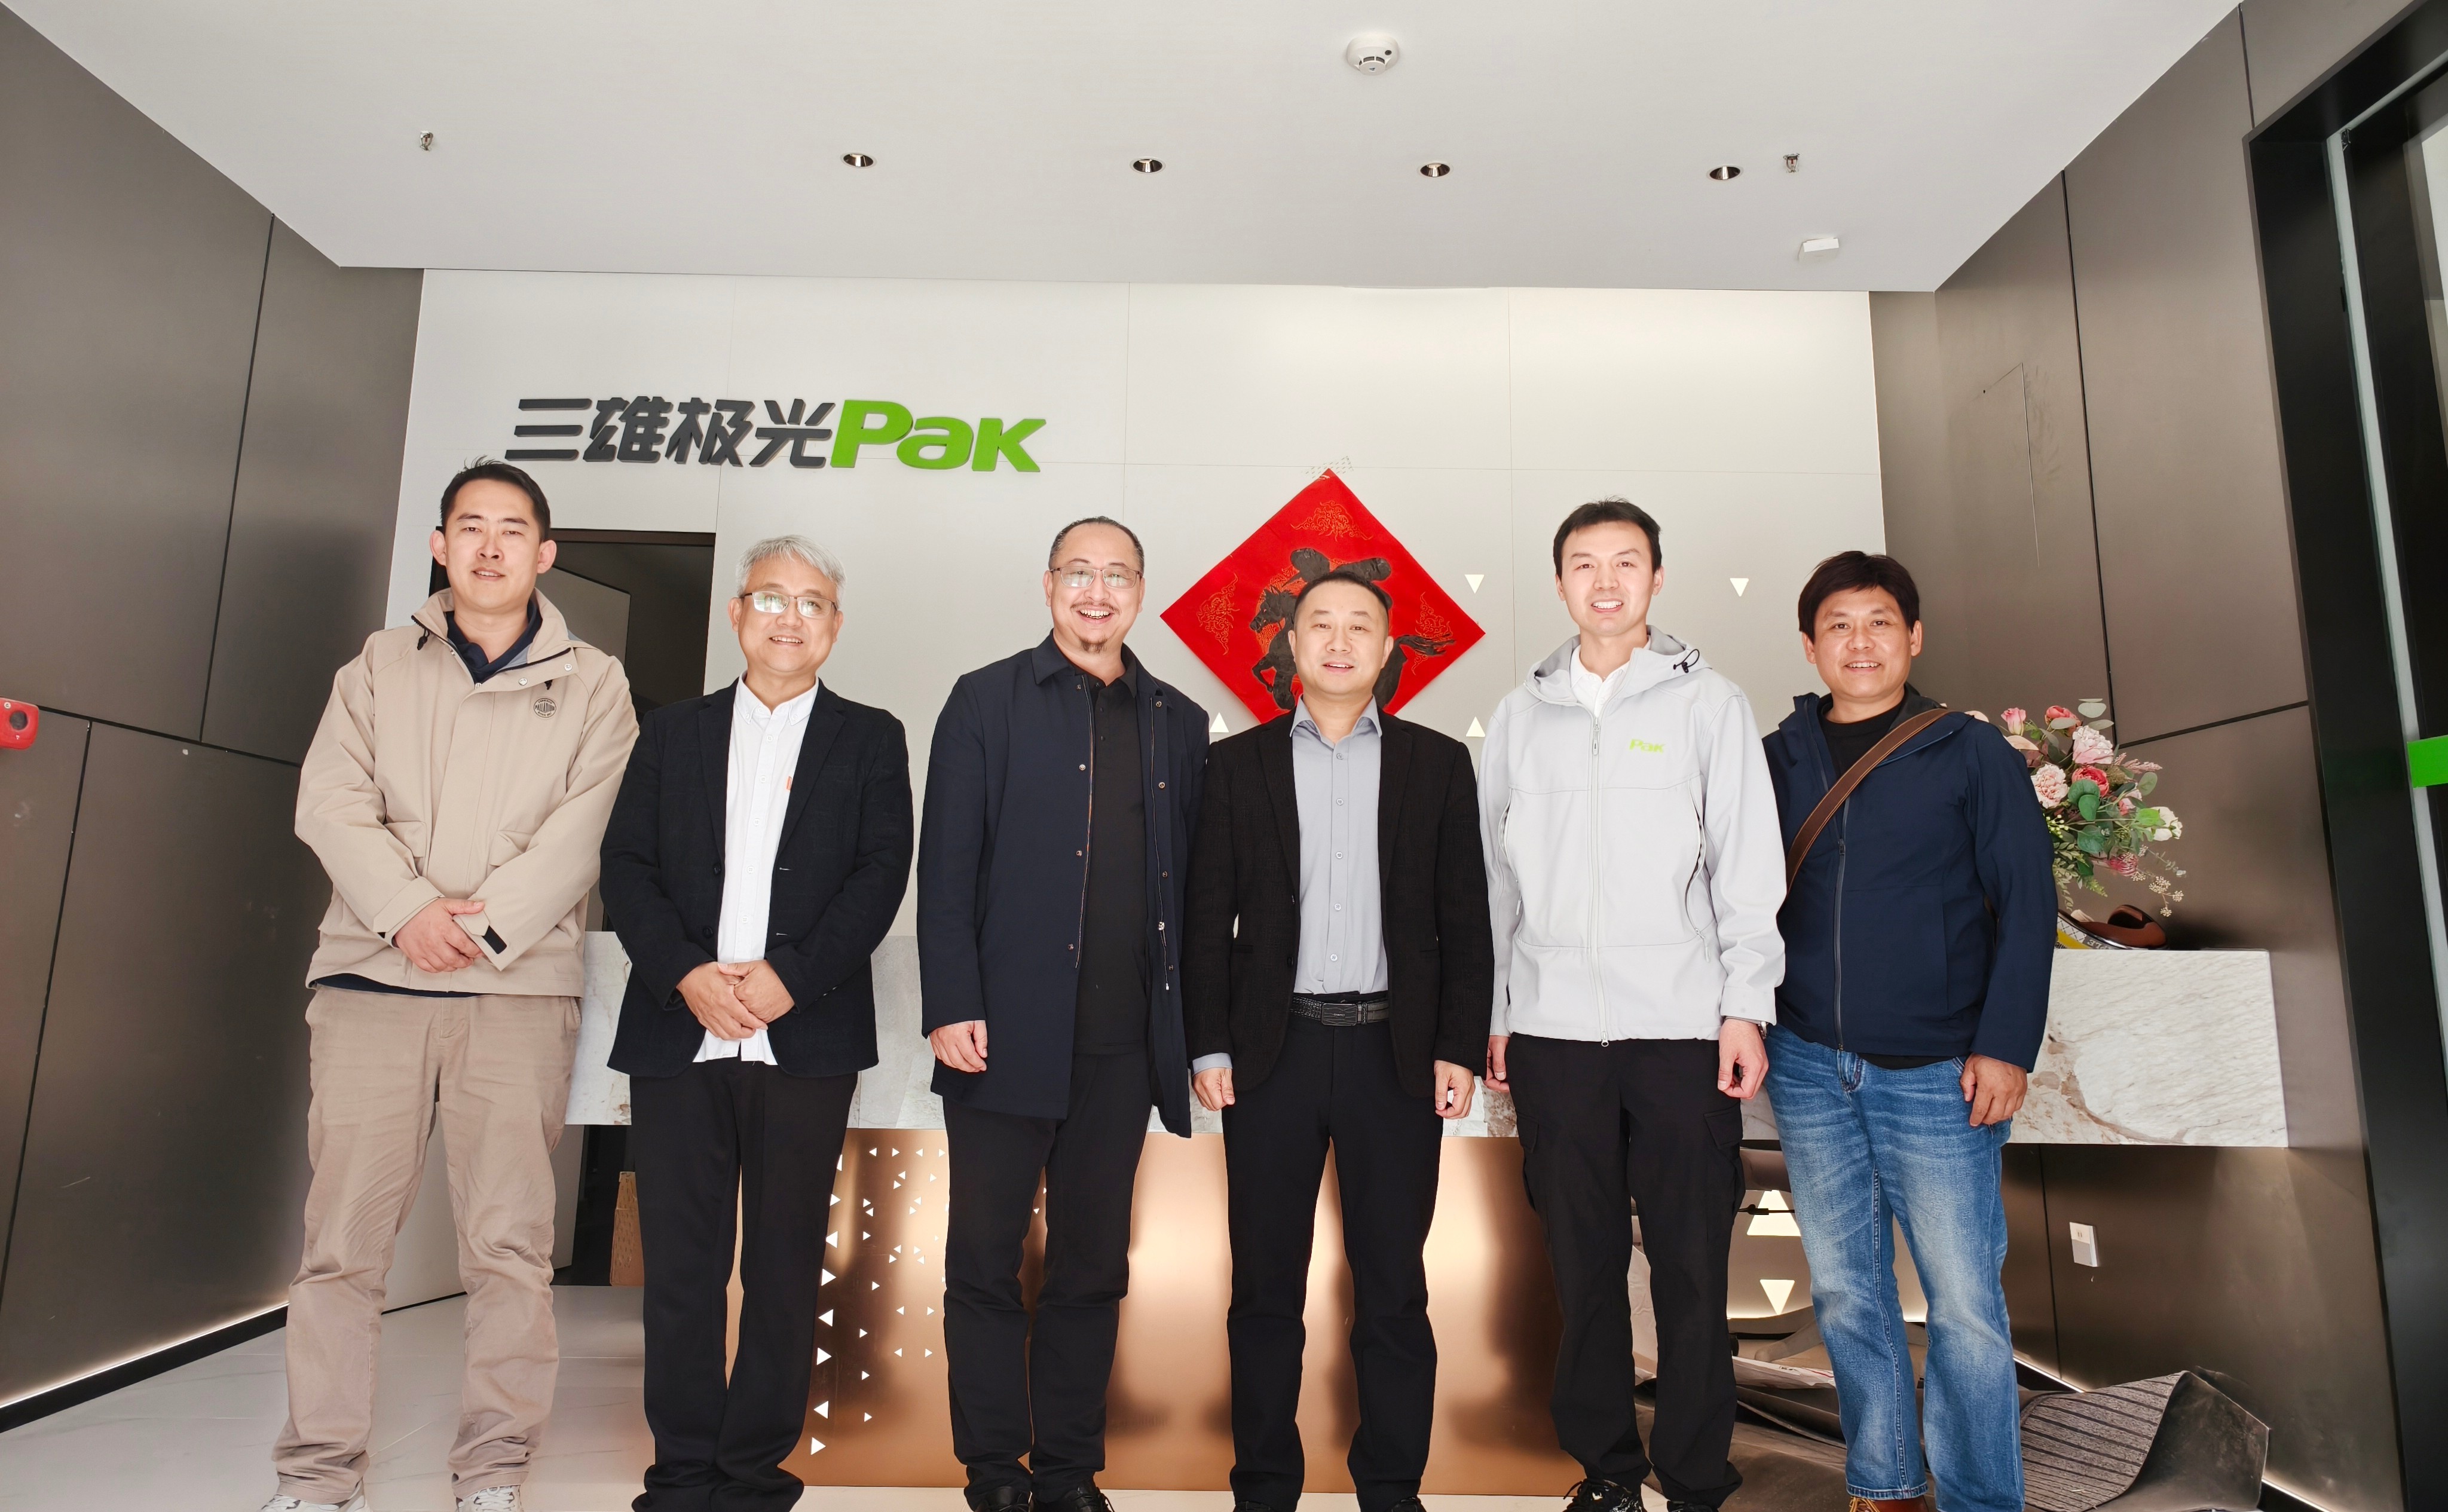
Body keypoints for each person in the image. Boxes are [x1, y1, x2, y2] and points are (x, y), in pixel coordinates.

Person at [269, 461, 639, 1512]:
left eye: (511, 529)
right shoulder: (378, 666)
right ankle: (317, 1470)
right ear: (439, 545)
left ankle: (493, 1466)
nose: (489, 546)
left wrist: (479, 929)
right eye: (469, 527)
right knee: (340, 1246)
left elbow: (585, 829)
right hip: (372, 985)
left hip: (514, 995)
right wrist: (407, 912)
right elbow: (330, 801)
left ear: (545, 553)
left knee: (509, 1247)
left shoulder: (596, 682)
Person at [1480, 498, 1785, 1512]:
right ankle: (1608, 1471)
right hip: (1555, 1034)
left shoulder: (1710, 705)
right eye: (1584, 563)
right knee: (1584, 1264)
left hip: (1682, 1030)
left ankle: (1695, 1478)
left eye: (1626, 562)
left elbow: (1748, 868)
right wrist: (1499, 1009)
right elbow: (1494, 882)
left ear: (1657, 578)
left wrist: (1744, 1005)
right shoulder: (1520, 717)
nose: (1605, 581)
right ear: (1559, 582)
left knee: (1693, 1266)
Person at [599, 535, 913, 1511]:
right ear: (737, 613)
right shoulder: (673, 732)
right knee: (681, 1270)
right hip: (680, 1032)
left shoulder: (871, 738)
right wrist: (686, 973)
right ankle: (682, 1472)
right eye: (771, 598)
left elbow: (880, 876)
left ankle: (752, 1475)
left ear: (835, 626)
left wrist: (791, 979)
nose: (790, 617)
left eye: (811, 603)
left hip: (802, 1040)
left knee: (782, 1267)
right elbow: (626, 866)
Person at [917, 516, 1210, 1512]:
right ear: (1049, 586)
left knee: (1092, 1265)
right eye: (1079, 573)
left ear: (1140, 592)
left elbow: (1194, 890)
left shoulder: (1178, 720)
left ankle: (1070, 1470)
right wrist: (952, 1000)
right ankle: (995, 1470)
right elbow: (945, 868)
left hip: (1122, 1047)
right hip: (998, 1036)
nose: (1097, 591)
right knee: (983, 1261)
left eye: (1117, 575)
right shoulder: (984, 700)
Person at [1184, 569, 1492, 1512]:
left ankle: (1392, 1490)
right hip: (1269, 1055)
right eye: (1321, 623)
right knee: (1264, 1287)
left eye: (1362, 625)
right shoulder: (1235, 765)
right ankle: (1262, 1490)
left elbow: (1465, 918)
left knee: (1393, 1287)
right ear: (1291, 643)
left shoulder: (1438, 763)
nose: (1341, 640)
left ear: (1389, 649)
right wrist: (1209, 1045)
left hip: (1393, 1056)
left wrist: (1459, 1045)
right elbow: (1205, 919)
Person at [1760, 552, 2052, 1512]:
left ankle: (1979, 1497)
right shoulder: (1776, 758)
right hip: (1807, 1060)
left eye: (1879, 621)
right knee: (1847, 1290)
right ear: (1810, 646)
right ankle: (1885, 1484)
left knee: (1963, 1301)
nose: (1860, 642)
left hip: (1938, 1069)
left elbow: (2027, 900)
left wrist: (2005, 1044)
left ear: (1914, 637)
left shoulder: (1970, 751)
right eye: (1838, 625)